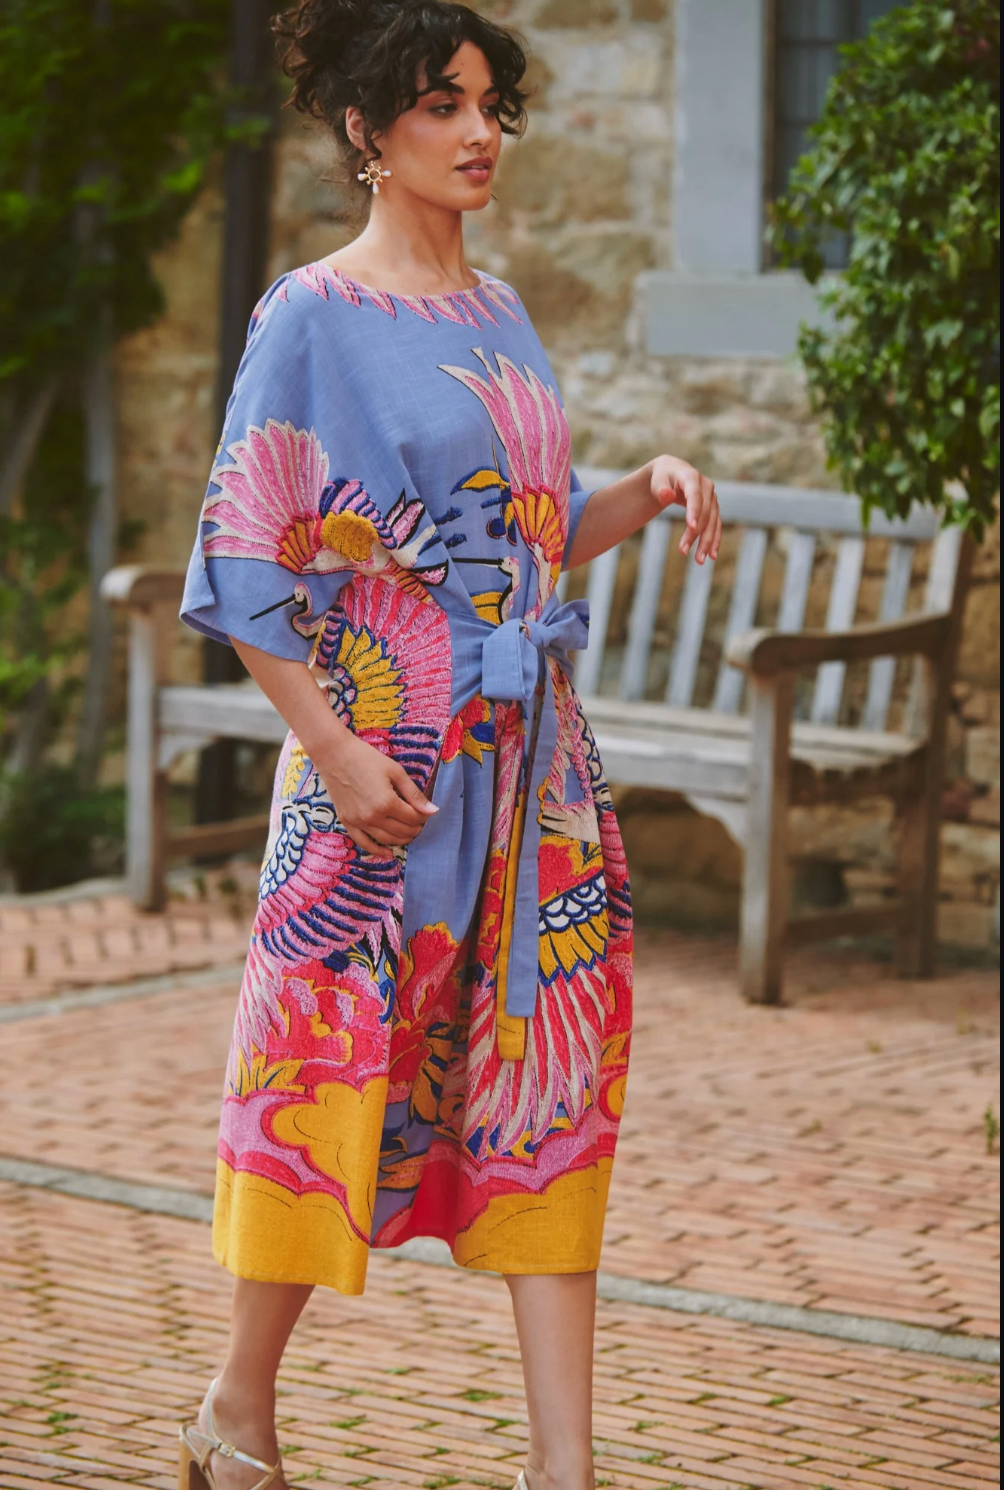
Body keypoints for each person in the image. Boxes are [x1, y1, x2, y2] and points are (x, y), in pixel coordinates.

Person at [177, 3, 721, 1487]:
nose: (480, 133)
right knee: (337, 1081)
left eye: (491, 105)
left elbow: (522, 542)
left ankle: (565, 1470)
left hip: (534, 776)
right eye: (441, 105)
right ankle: (238, 1403)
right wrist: (337, 757)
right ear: (367, 130)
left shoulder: (502, 310)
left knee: (551, 1088)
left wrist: (644, 488)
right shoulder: (308, 315)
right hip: (383, 775)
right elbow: (244, 566)